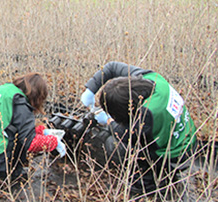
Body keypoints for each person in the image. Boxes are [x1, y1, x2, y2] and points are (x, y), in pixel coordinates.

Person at [80, 61, 196, 196]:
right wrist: (91, 89)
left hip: (176, 154)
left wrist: (108, 120)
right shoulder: (149, 79)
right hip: (185, 135)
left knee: (114, 144)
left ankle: (148, 185)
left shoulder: (148, 115)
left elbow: (123, 133)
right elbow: (111, 67)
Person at [0, 72, 66, 182]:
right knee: (19, 140)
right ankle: (11, 172)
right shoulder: (20, 102)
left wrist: (39, 131)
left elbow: (3, 123)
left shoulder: (1, 90)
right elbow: (30, 143)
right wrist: (53, 141)